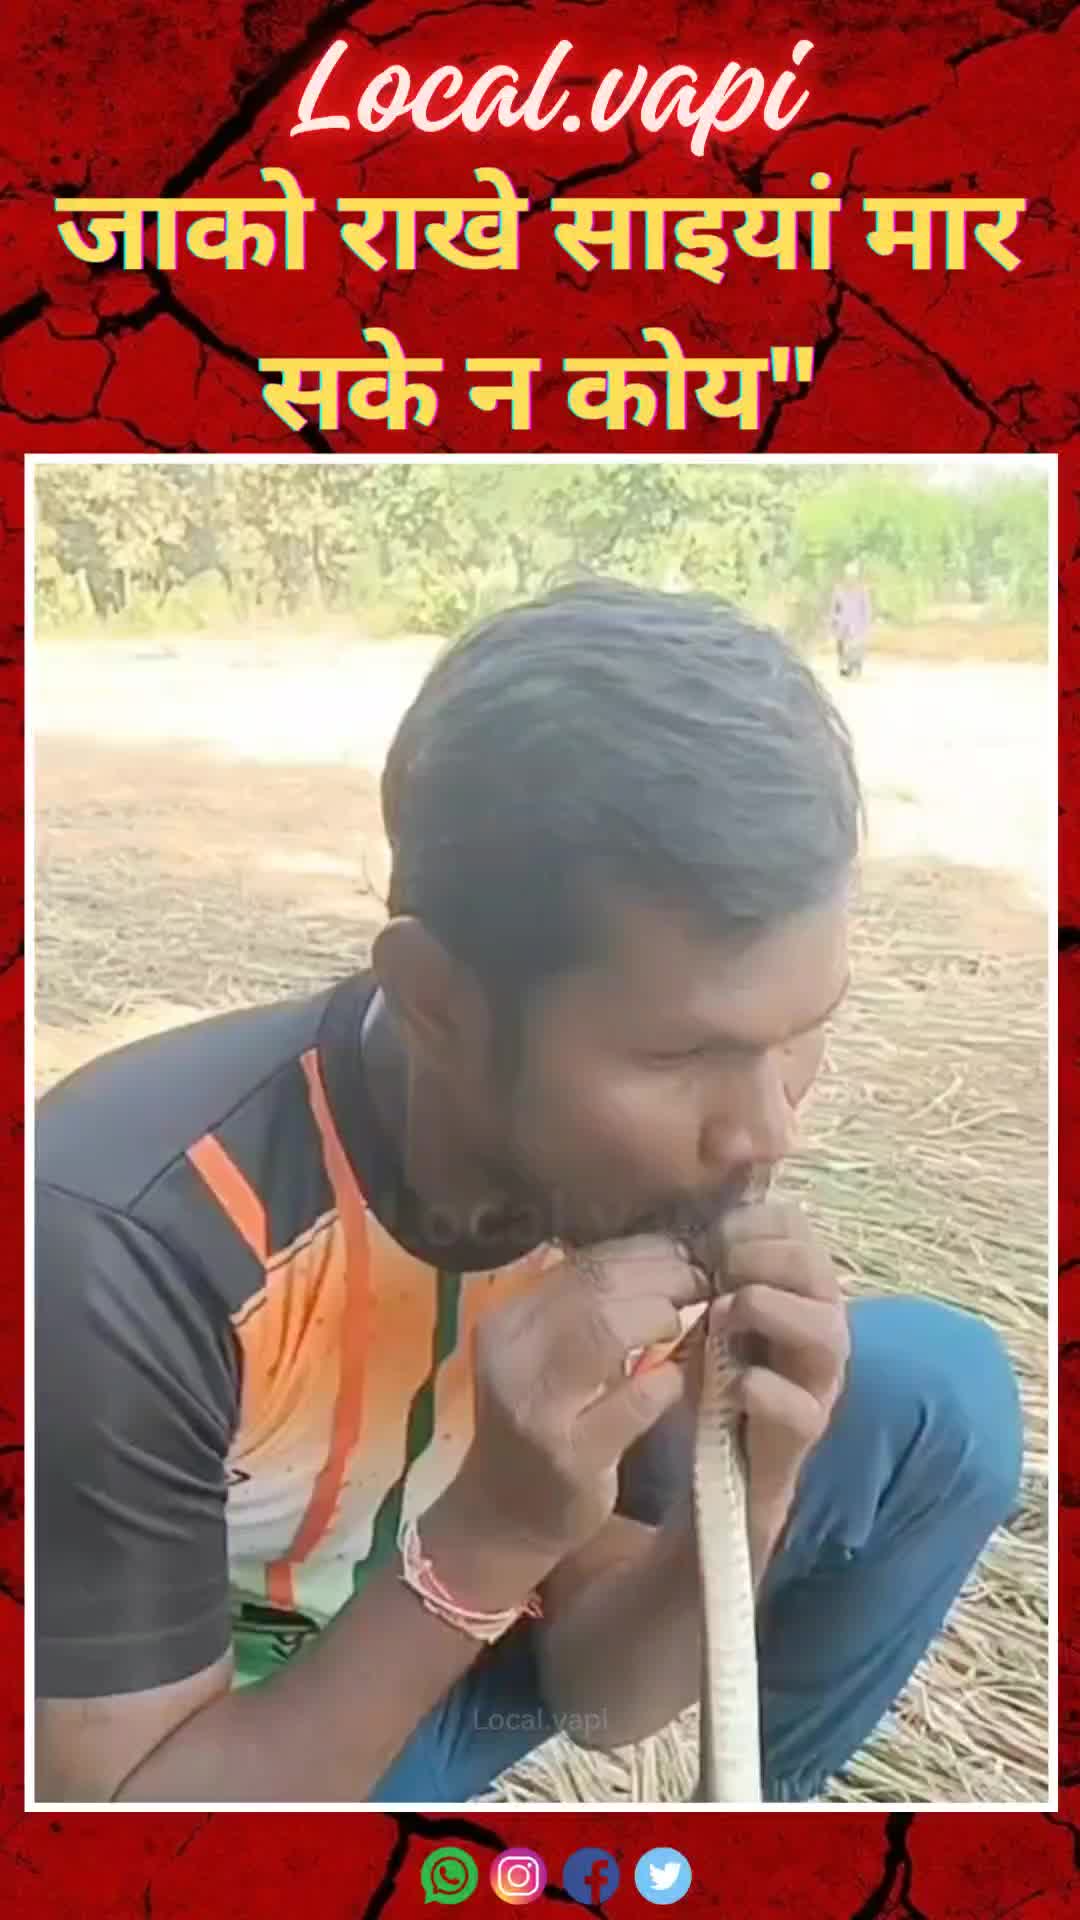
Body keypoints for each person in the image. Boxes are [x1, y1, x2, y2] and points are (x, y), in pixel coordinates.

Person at [35, 579, 1022, 1806]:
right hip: (246, 1754)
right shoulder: (130, 1241)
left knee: (934, 1390)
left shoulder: (618, 1188)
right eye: (682, 1055)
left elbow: (606, 1699)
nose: (769, 1129)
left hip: (447, 1669)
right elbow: (133, 1843)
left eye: (799, 1032)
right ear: (439, 1003)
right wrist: (493, 1536)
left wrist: (750, 1490)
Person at [830, 560, 872, 678]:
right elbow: (835, 606)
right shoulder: (839, 589)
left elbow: (866, 608)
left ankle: (854, 666)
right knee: (842, 646)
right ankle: (844, 666)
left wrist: (866, 623)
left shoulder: (862, 590)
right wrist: (833, 620)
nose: (851, 579)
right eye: (849, 576)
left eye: (853, 577)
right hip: (842, 623)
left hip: (857, 623)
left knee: (855, 647)